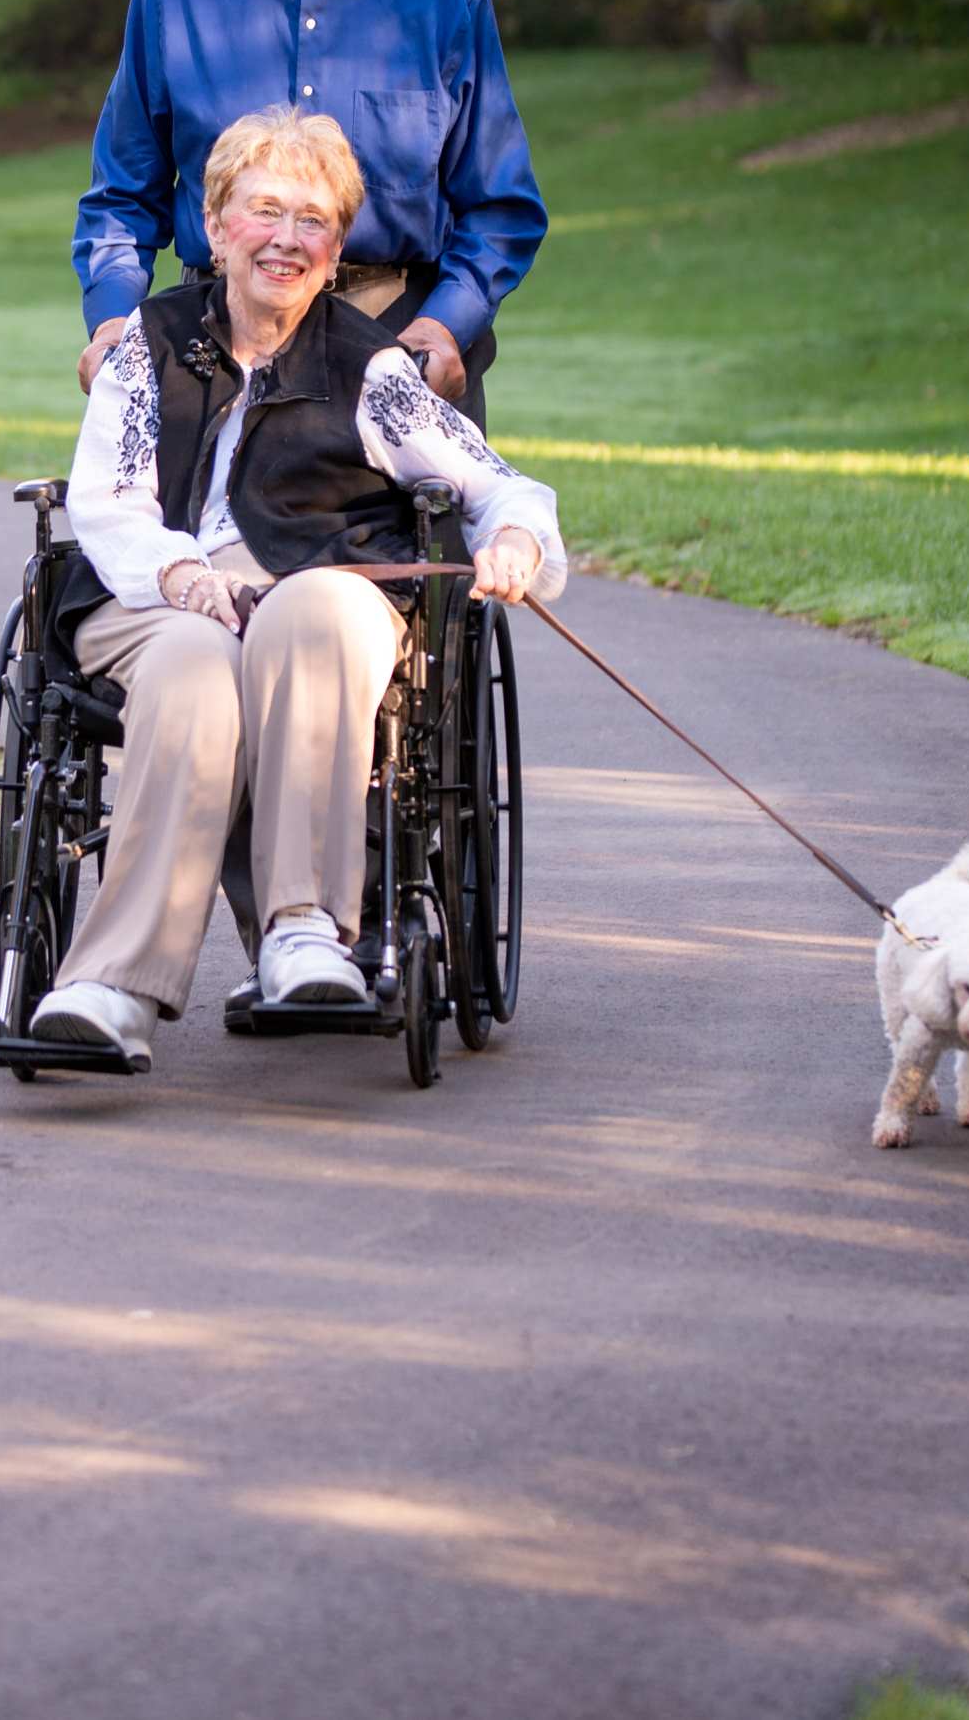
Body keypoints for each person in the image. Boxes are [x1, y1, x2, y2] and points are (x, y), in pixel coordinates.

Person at [28, 106, 568, 1073]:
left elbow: (499, 486)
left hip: (326, 588)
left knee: (311, 611)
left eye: (312, 219)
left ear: (336, 246)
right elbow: (107, 503)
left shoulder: (372, 367)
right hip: (159, 603)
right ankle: (110, 984)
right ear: (215, 222)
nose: (286, 238)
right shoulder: (146, 348)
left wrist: (518, 540)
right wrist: (185, 576)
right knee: (196, 662)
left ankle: (305, 931)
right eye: (263, 210)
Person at [74, 0, 547, 425]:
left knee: (418, 537)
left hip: (396, 345)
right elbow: (120, 198)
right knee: (185, 537)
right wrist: (112, 319)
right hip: (218, 350)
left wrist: (446, 325)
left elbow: (500, 206)